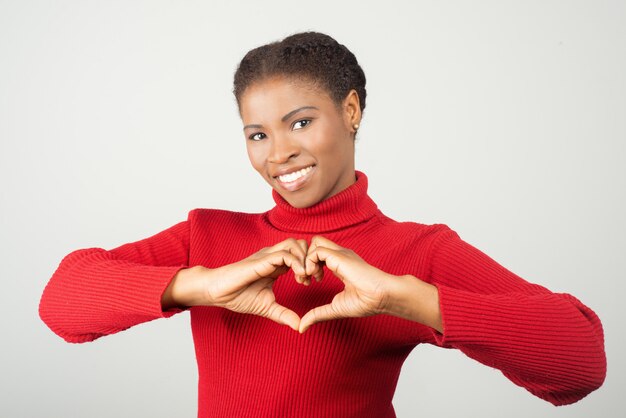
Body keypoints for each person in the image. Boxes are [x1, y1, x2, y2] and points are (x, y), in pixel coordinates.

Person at [39, 32, 606, 418]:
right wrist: (202, 284)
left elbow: (581, 359)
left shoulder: (415, 250)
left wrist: (408, 299)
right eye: (257, 134)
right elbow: (61, 302)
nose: (278, 153)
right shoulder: (207, 238)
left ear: (352, 111)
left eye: (300, 122)